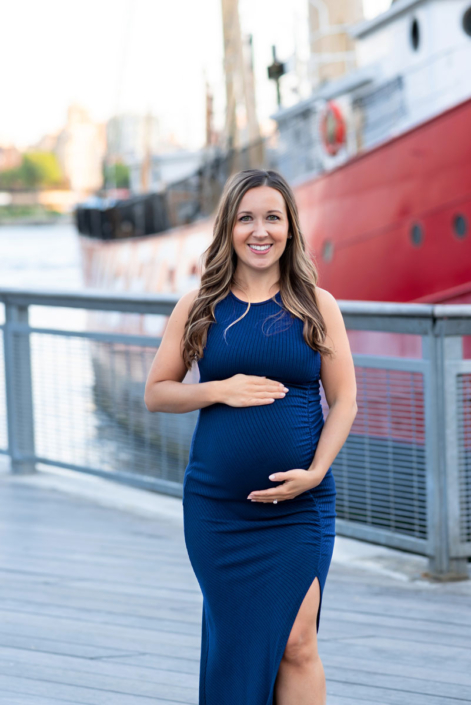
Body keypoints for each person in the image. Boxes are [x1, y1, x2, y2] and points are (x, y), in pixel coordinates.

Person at [144, 169, 357, 705]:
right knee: (237, 648)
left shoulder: (316, 304)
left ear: (290, 228)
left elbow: (346, 401)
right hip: (219, 511)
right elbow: (158, 392)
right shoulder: (200, 306)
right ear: (229, 228)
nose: (259, 231)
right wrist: (219, 390)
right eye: (246, 218)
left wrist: (315, 473)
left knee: (298, 641)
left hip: (300, 507)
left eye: (272, 218)